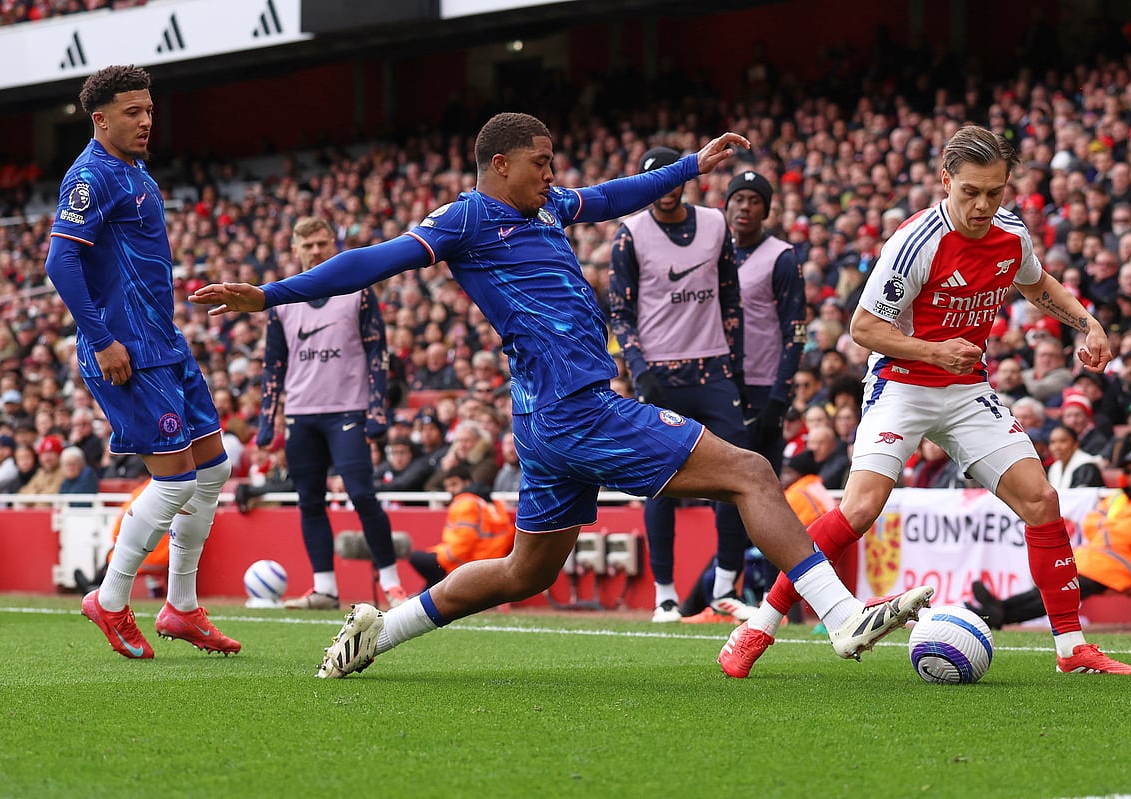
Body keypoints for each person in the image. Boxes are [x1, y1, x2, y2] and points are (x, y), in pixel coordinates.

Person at [191, 112, 931, 679]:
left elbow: (612, 195)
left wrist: (687, 168)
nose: (553, 175)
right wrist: (270, 295)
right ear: (500, 163)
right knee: (751, 471)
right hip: (576, 408)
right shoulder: (466, 219)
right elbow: (368, 262)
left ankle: (377, 632)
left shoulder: (543, 207)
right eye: (541, 164)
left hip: (546, 417)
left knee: (526, 571)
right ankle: (842, 618)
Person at [719, 125, 1131, 678]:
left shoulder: (1012, 233)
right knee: (860, 508)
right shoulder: (915, 242)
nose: (983, 205)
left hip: (965, 390)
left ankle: (1071, 650)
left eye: (995, 191)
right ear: (946, 182)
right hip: (903, 385)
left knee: (1041, 500)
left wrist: (1088, 323)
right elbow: (864, 327)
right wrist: (934, 352)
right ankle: (758, 627)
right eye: (970, 192)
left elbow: (1039, 287)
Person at [44, 65, 238, 659]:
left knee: (213, 471)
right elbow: (60, 263)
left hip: (164, 341)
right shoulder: (91, 177)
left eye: (149, 109)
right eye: (133, 112)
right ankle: (109, 597)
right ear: (100, 119)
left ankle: (181, 608)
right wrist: (102, 339)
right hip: (126, 350)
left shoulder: (135, 172)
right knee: (176, 477)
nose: (147, 120)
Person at [607, 145, 757, 623]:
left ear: (683, 180)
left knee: (740, 473)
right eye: (655, 183)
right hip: (660, 372)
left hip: (713, 368)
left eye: (671, 181)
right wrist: (637, 368)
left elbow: (731, 297)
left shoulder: (716, 223)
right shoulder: (630, 233)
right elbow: (620, 313)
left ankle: (725, 588)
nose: (665, 193)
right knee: (660, 484)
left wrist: (736, 364)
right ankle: (665, 594)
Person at [257, 216, 407, 611]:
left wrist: (377, 409)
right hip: (301, 413)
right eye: (308, 245)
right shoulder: (284, 298)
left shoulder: (356, 291)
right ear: (295, 249)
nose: (316, 251)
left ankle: (391, 583)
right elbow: (273, 362)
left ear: (333, 243)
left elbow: (378, 351)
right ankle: (325, 588)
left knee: (362, 495)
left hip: (347, 410)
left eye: (322, 243)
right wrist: (265, 417)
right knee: (309, 500)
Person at [970, 446, 1131, 628]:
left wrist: (1106, 527)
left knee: (1059, 592)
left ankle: (998, 613)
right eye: (1127, 470)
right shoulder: (1119, 497)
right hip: (1094, 561)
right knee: (1051, 587)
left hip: (1120, 568)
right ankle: (998, 611)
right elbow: (1090, 523)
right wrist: (1112, 529)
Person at [724, 170, 805, 470]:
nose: (745, 207)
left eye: (755, 201)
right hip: (720, 382)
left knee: (760, 483)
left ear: (766, 210)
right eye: (739, 199)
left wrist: (778, 398)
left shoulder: (782, 257)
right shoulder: (714, 253)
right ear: (727, 205)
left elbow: (795, 333)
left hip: (762, 385)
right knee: (722, 485)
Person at [403, 463, 516, 591]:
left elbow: (463, 545)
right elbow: (508, 534)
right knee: (432, 578)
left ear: (467, 483)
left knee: (417, 558)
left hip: (469, 563)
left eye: (454, 484)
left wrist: (444, 564)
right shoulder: (493, 503)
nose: (450, 490)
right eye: (447, 486)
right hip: (493, 562)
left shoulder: (465, 503)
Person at [1044, 425, 1104, 490]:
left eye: (1063, 441)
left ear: (1075, 444)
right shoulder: (1054, 467)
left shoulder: (1086, 467)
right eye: (1052, 442)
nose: (1056, 447)